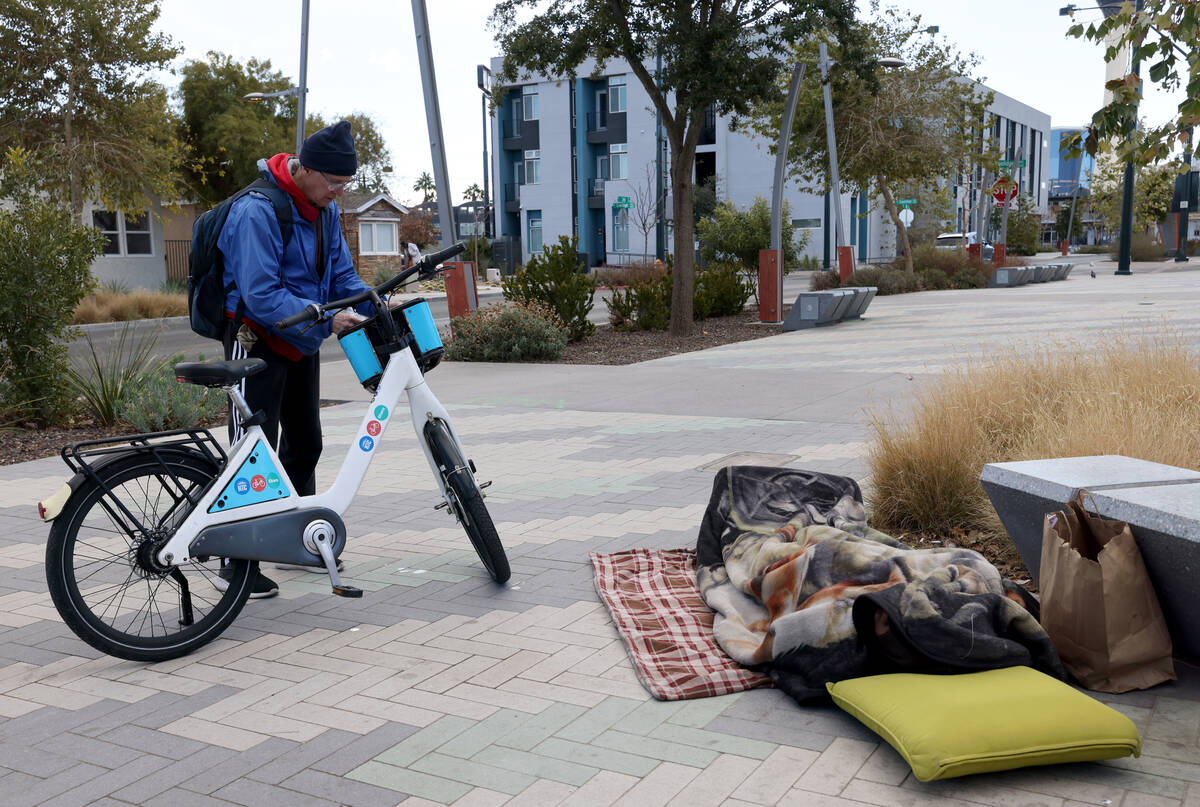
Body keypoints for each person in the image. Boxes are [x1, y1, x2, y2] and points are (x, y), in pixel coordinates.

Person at [213, 120, 373, 598]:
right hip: (256, 342)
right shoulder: (255, 212)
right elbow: (261, 295)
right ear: (305, 169)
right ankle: (234, 560)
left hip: (300, 341)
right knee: (252, 453)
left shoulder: (323, 212)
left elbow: (341, 277)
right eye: (334, 183)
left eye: (345, 185)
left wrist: (376, 304)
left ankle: (296, 540)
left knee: (306, 444)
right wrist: (328, 323)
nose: (338, 194)